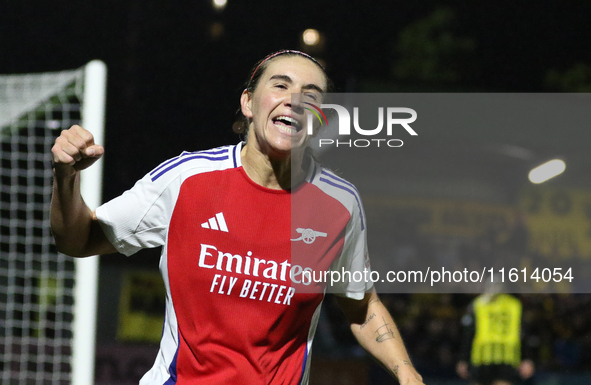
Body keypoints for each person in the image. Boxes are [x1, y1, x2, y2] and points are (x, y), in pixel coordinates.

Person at [51, 50, 424, 385]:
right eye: (281, 85)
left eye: (311, 95)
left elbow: (362, 304)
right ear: (248, 102)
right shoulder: (187, 178)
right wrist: (66, 177)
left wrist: (406, 372)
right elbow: (77, 240)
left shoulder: (340, 204)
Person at [456, 278, 534, 385]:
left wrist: (463, 359)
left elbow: (468, 333)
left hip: (483, 356)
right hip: (506, 357)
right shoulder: (514, 305)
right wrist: (526, 358)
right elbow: (524, 333)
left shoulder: (477, 304)